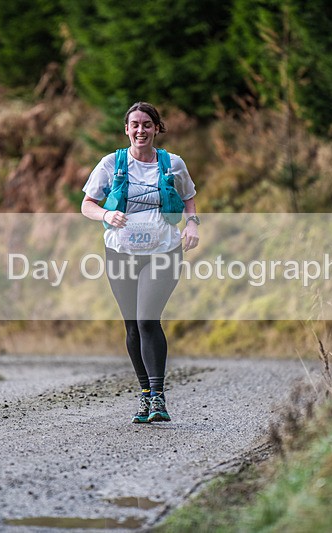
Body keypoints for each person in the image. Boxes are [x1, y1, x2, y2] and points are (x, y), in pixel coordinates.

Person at [81, 101, 200, 423]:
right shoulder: (111, 163)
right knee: (132, 324)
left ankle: (158, 397)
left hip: (163, 251)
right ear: (126, 129)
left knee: (148, 319)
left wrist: (191, 225)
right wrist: (106, 213)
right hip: (120, 252)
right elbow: (87, 204)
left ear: (156, 128)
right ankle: (146, 395)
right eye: (134, 124)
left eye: (147, 124)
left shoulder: (172, 163)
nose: (140, 130)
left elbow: (188, 197)